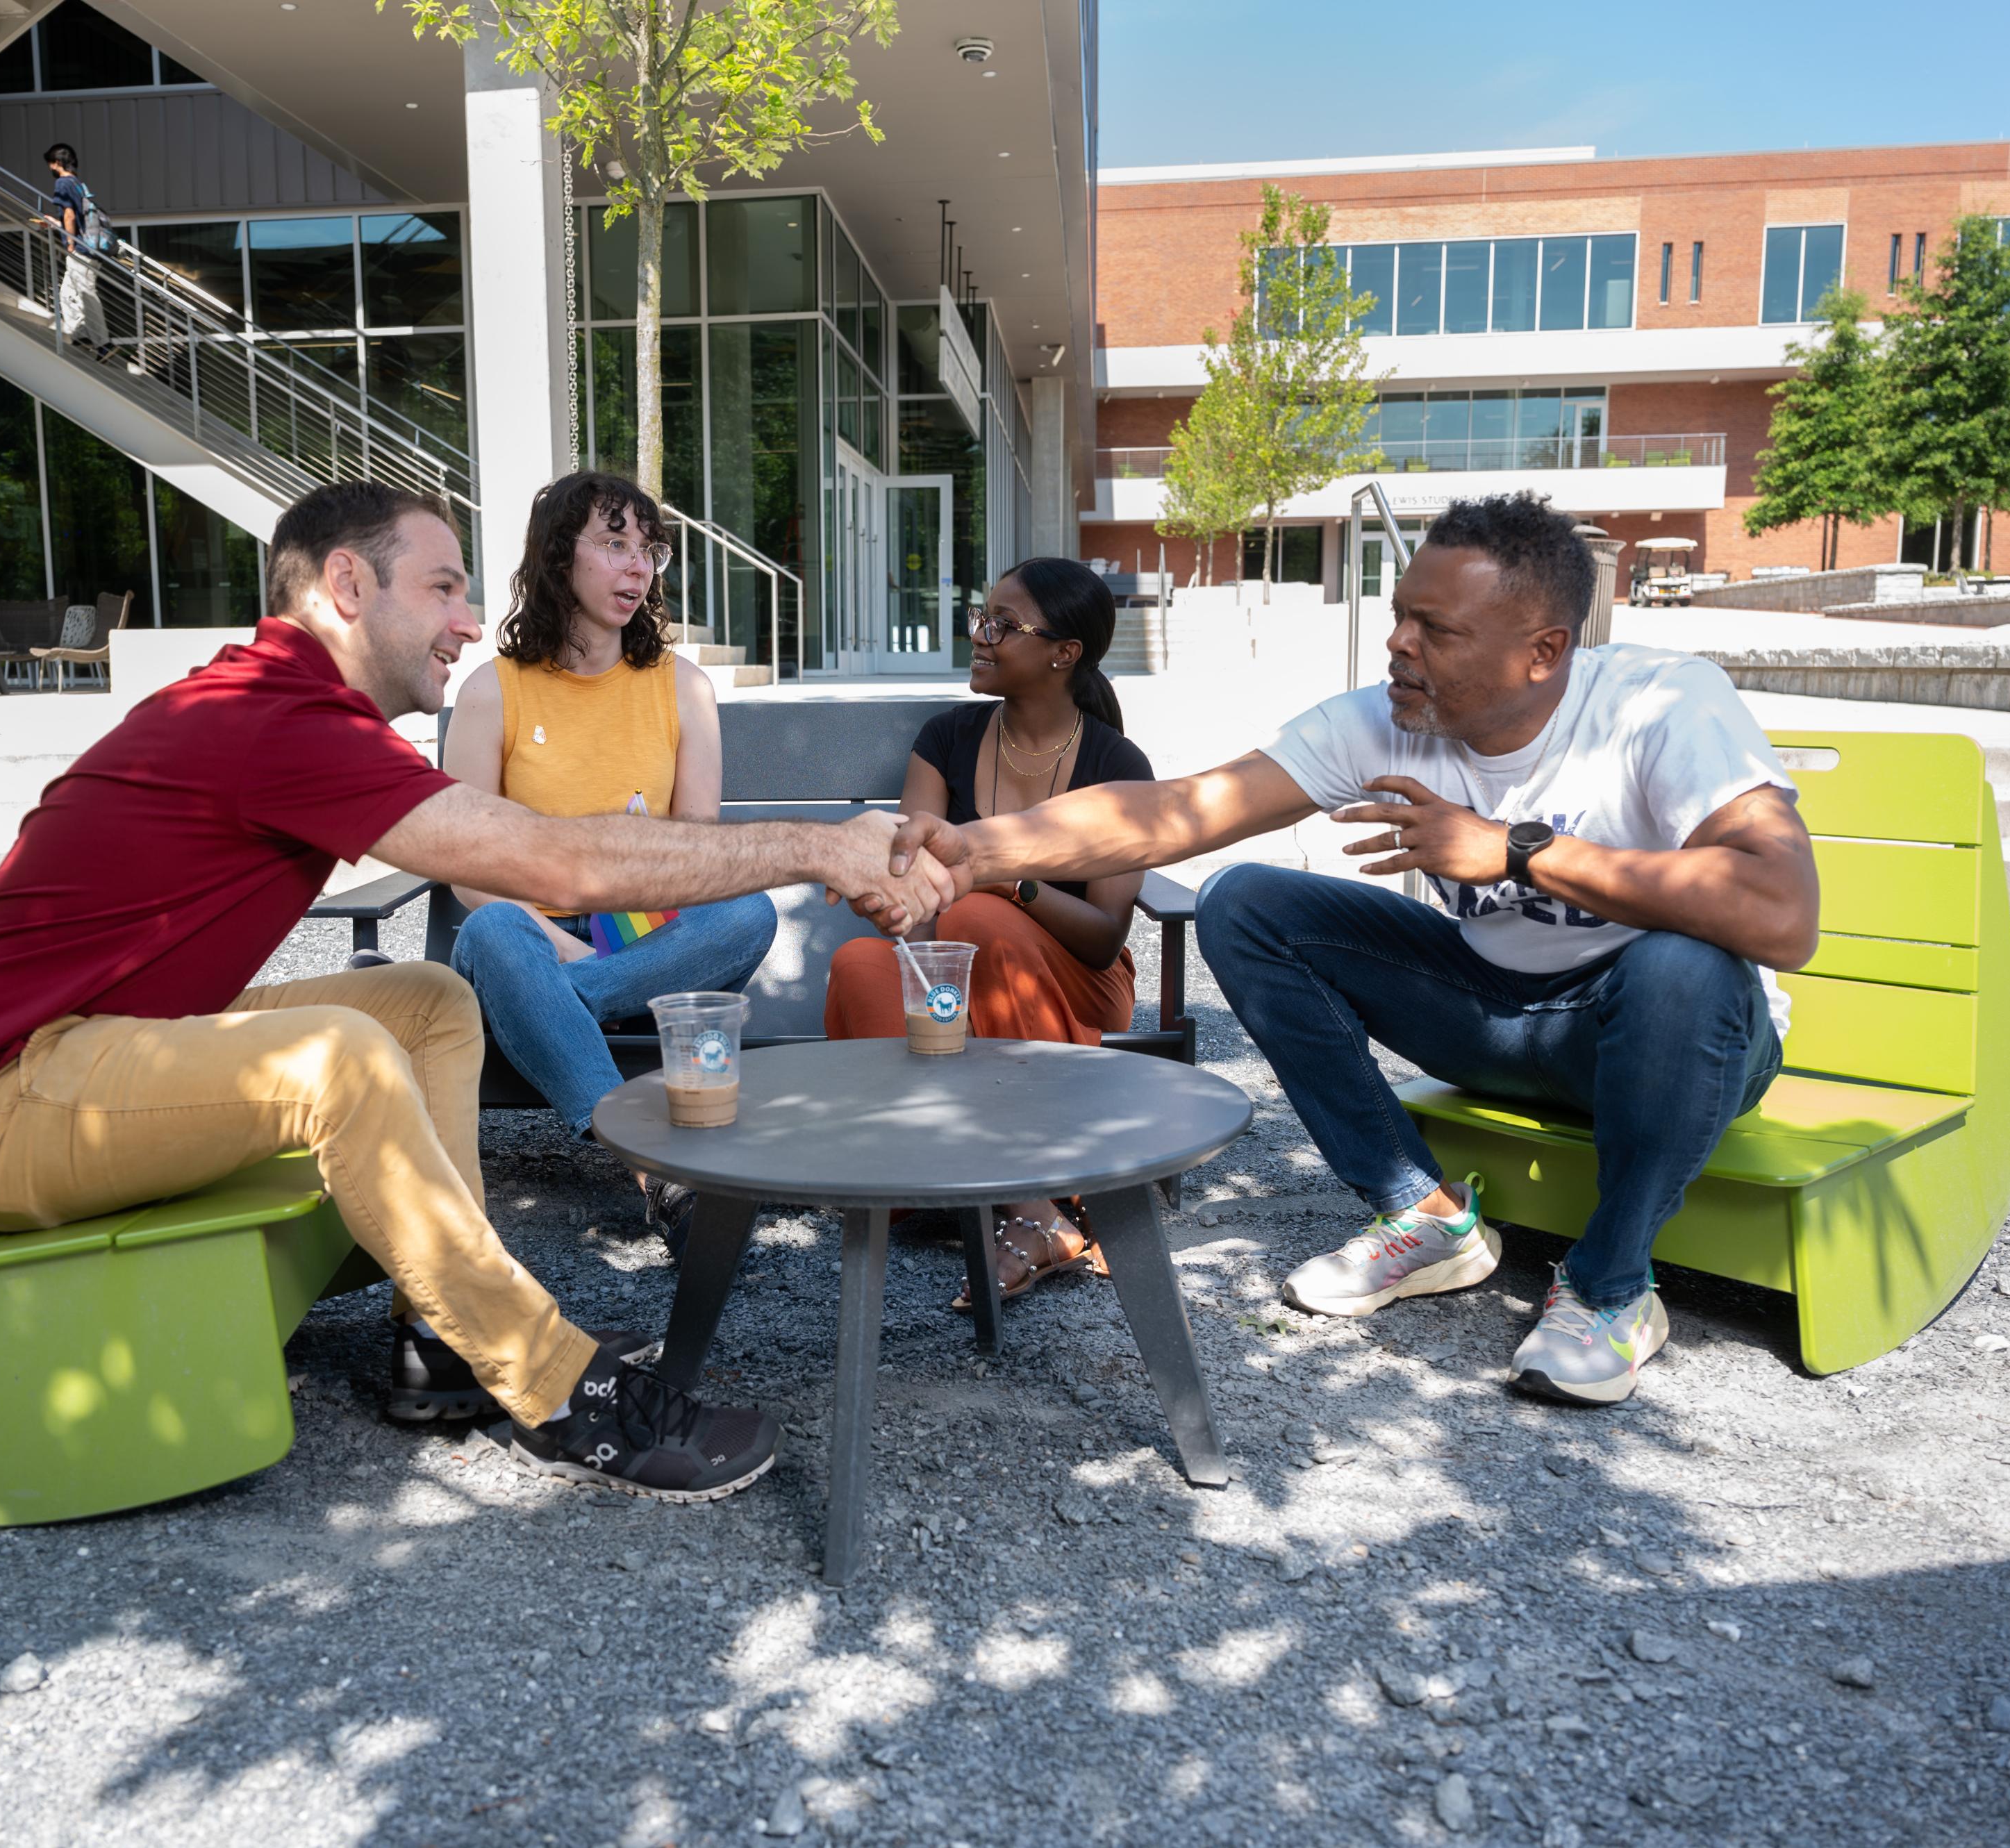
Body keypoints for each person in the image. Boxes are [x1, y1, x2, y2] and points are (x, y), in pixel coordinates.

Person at [0, 482, 955, 1501]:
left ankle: (441, 1338)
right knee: (340, 1057)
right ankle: (549, 1387)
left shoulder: (284, 705)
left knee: (429, 1001)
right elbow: (552, 861)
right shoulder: (271, 717)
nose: (469, 620)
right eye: (442, 588)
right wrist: (823, 846)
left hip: (94, 1050)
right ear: (347, 587)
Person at [877, 494, 1818, 1406]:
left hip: (1668, 1034)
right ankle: (1422, 1213)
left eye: (1435, 629)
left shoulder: (1661, 702)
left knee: (1684, 963)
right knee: (1246, 903)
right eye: (1401, 614)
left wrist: (1517, 851)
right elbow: (1175, 812)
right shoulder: (1386, 715)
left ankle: (1611, 1287)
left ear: (1543, 652)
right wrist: (976, 851)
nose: (1399, 643)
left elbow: (1782, 914)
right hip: (1500, 1012)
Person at [444, 473, 779, 1223]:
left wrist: (588, 966)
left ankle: (565, 1004)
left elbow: (697, 858)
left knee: (750, 912)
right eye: (615, 543)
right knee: (493, 929)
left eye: (649, 549)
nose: (638, 566)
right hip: (525, 938)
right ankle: (654, 1170)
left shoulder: (683, 688)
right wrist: (557, 945)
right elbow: (466, 865)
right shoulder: (493, 691)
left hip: (646, 941)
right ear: (559, 556)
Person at [822, 558, 1150, 1310]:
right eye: (982, 616)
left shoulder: (1115, 763)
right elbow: (915, 897)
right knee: (862, 964)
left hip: (1074, 987)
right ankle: (1028, 1208)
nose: (979, 635)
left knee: (977, 917)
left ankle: (1026, 1180)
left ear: (1064, 653)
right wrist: (887, 897)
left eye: (1003, 625)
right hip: (956, 971)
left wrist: (1007, 879)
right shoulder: (948, 737)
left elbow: (1104, 936)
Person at [43, 142, 111, 362]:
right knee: (66, 293)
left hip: (81, 250)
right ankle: (83, 336)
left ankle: (103, 343)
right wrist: (56, 224)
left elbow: (70, 215)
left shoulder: (63, 183)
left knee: (85, 294)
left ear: (57, 162)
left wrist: (70, 244)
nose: (50, 168)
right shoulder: (78, 184)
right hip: (87, 248)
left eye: (51, 164)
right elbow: (73, 218)